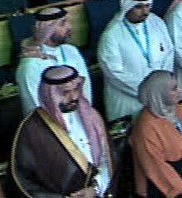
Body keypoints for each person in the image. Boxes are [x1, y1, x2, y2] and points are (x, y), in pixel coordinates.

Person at [12, 64, 113, 198]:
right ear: (49, 94)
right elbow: (24, 180)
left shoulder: (92, 117)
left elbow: (107, 160)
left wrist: (96, 187)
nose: (73, 97)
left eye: (76, 89)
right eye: (65, 93)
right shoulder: (32, 129)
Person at [99, 0, 176, 121]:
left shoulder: (157, 23)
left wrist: (162, 85)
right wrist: (149, 90)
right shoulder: (111, 34)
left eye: (147, 6)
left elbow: (168, 53)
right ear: (127, 6)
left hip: (159, 94)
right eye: (139, 7)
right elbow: (114, 73)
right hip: (128, 100)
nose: (145, 11)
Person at [129, 70, 182, 198]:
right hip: (162, 189)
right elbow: (156, 167)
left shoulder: (180, 110)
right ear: (159, 93)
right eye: (174, 89)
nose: (179, 90)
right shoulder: (145, 126)